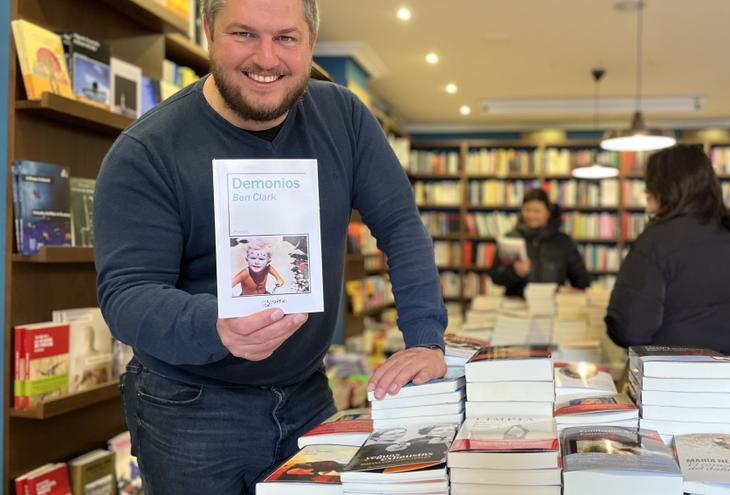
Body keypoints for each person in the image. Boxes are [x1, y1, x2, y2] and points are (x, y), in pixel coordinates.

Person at [93, 1, 447, 493]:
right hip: (188, 406)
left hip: (306, 392)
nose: (266, 58)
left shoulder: (343, 116)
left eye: (285, 38)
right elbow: (126, 295)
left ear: (310, 43)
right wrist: (215, 326)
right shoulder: (148, 150)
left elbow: (402, 228)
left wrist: (426, 338)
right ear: (208, 33)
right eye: (244, 34)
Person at [605, 145, 730, 355]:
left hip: (664, 373)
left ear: (666, 187)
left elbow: (630, 328)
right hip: (725, 372)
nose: (645, 190)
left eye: (649, 182)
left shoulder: (657, 240)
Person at [488, 188, 591, 297]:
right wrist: (514, 272)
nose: (531, 216)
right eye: (527, 210)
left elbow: (582, 282)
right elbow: (495, 277)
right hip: (517, 305)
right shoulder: (510, 238)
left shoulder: (564, 242)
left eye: (537, 211)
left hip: (553, 304)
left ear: (548, 213)